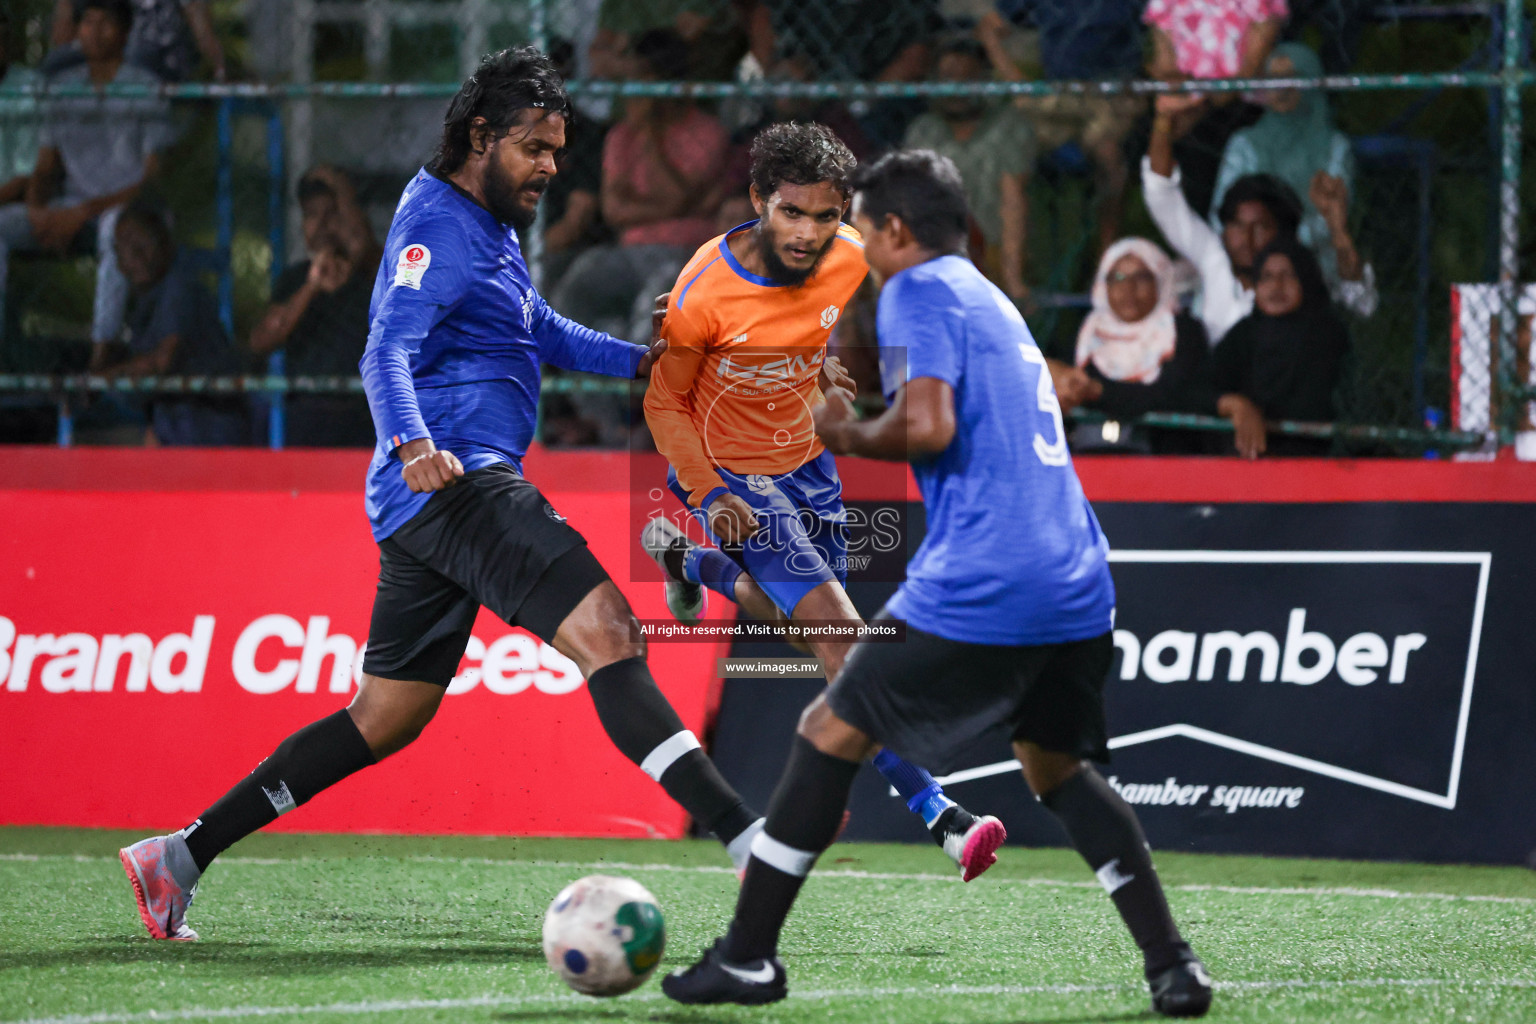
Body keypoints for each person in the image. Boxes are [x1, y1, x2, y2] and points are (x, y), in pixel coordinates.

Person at [116, 46, 763, 941]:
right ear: (480, 137)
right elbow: (384, 348)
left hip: (433, 501)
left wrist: (642, 363)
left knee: (386, 717)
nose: (551, 166)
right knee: (609, 630)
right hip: (456, 481)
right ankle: (747, 838)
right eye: (536, 148)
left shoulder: (487, 228)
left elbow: (533, 327)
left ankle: (178, 857)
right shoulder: (437, 226)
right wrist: (413, 440)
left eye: (558, 150)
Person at [660, 149, 1212, 1018]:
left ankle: (748, 959)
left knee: (826, 727)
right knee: (1058, 769)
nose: (855, 246)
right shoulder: (987, 297)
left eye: (861, 228)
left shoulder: (918, 289)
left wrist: (840, 432)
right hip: (1078, 578)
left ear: (894, 230)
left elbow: (929, 422)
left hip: (989, 579)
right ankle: (1173, 966)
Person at [641, 121, 1006, 881]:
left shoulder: (851, 255)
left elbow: (925, 280)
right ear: (757, 200)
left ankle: (693, 564)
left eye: (826, 216)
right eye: (791, 213)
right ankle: (941, 813)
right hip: (726, 468)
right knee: (841, 637)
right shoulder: (705, 287)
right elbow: (665, 405)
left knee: (802, 633)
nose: (808, 233)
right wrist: (708, 492)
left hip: (805, 461)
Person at [0, 0, 170, 357]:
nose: (94, 31)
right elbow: (46, 167)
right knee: (4, 225)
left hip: (129, 210)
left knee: (115, 228)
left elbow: (152, 178)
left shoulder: (145, 87)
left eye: (104, 23)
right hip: (67, 209)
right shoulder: (62, 88)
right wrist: (39, 214)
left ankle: (100, 352)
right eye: (87, 22)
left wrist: (81, 214)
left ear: (124, 33)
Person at [1143, 93, 1376, 345]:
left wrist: (1338, 229)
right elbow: (1161, 194)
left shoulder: (1299, 269)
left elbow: (1361, 302)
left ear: (1281, 230)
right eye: (1237, 225)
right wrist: (1163, 122)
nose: (1247, 238)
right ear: (1224, 229)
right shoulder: (1212, 257)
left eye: (1261, 226)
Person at [549, 29, 728, 345]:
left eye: (643, 79)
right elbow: (615, 210)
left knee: (653, 305)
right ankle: (597, 391)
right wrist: (675, 206)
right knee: (577, 286)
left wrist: (651, 136)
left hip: (685, 252)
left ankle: (644, 386)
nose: (634, 91)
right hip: (629, 252)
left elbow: (675, 196)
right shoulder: (621, 136)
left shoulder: (707, 131)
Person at [1208, 42, 1373, 312]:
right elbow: (1220, 215)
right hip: (1248, 264)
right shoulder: (1245, 143)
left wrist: (1277, 245)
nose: (1281, 88)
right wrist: (1261, 247)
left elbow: (1329, 219)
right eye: (1272, 79)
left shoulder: (1333, 145)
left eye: (1292, 78)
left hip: (1313, 260)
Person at [975, 1, 1145, 254]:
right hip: (1058, 96)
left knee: (1109, 157)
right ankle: (1008, 272)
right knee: (1009, 149)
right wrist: (1015, 80)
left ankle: (1106, 261)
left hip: (1112, 95)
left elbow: (1160, 26)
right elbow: (990, 26)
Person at [249, 167, 380, 447]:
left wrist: (339, 184)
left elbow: (360, 241)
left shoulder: (373, 272)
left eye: (331, 214)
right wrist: (311, 286)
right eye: (311, 215)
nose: (321, 225)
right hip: (304, 414)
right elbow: (261, 340)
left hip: (363, 413)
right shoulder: (296, 279)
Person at [95, 201, 246, 444]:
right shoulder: (144, 304)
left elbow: (162, 361)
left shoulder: (179, 287)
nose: (136, 257)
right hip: (175, 425)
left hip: (207, 426)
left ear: (166, 244)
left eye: (143, 245)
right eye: (125, 250)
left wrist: (101, 379)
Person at [1050, 238, 1212, 453]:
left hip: (1163, 459)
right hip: (1087, 456)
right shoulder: (1085, 332)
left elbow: (1176, 395)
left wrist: (1099, 393)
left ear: (1160, 280)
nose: (1128, 288)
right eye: (1117, 277)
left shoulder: (1183, 331)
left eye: (1142, 278)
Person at [903, 37, 1034, 302]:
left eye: (967, 78)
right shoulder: (923, 131)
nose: (957, 89)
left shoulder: (1007, 125)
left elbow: (1013, 201)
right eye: (948, 78)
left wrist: (1012, 278)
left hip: (994, 249)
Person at [1143, 0, 1288, 217]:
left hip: (1241, 100)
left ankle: (1214, 229)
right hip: (1186, 99)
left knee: (1202, 141)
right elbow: (1165, 65)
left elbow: (1249, 70)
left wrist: (1202, 103)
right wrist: (1182, 99)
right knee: (1150, 131)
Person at [1208, 236, 1348, 458]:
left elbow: (1317, 406)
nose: (1276, 286)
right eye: (1267, 277)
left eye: (1289, 275)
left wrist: (1261, 417)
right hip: (1241, 463)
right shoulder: (1244, 334)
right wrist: (1236, 405)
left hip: (1312, 463)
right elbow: (1203, 387)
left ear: (1307, 280)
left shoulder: (1326, 335)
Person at [47, 0, 226, 82]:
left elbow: (203, 30)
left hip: (161, 57)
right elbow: (63, 32)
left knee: (135, 56)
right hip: (110, 51)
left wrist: (219, 69)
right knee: (55, 64)